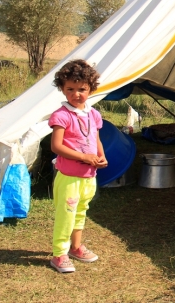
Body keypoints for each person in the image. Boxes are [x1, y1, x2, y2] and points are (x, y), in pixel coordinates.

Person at [48, 59, 107, 273]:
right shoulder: (61, 116)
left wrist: (101, 157)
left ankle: (75, 247)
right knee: (66, 214)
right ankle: (59, 254)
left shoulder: (94, 115)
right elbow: (56, 146)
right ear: (63, 90)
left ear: (90, 89)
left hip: (88, 176)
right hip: (69, 176)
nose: (76, 94)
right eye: (70, 89)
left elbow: (96, 139)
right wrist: (85, 157)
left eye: (82, 89)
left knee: (81, 210)